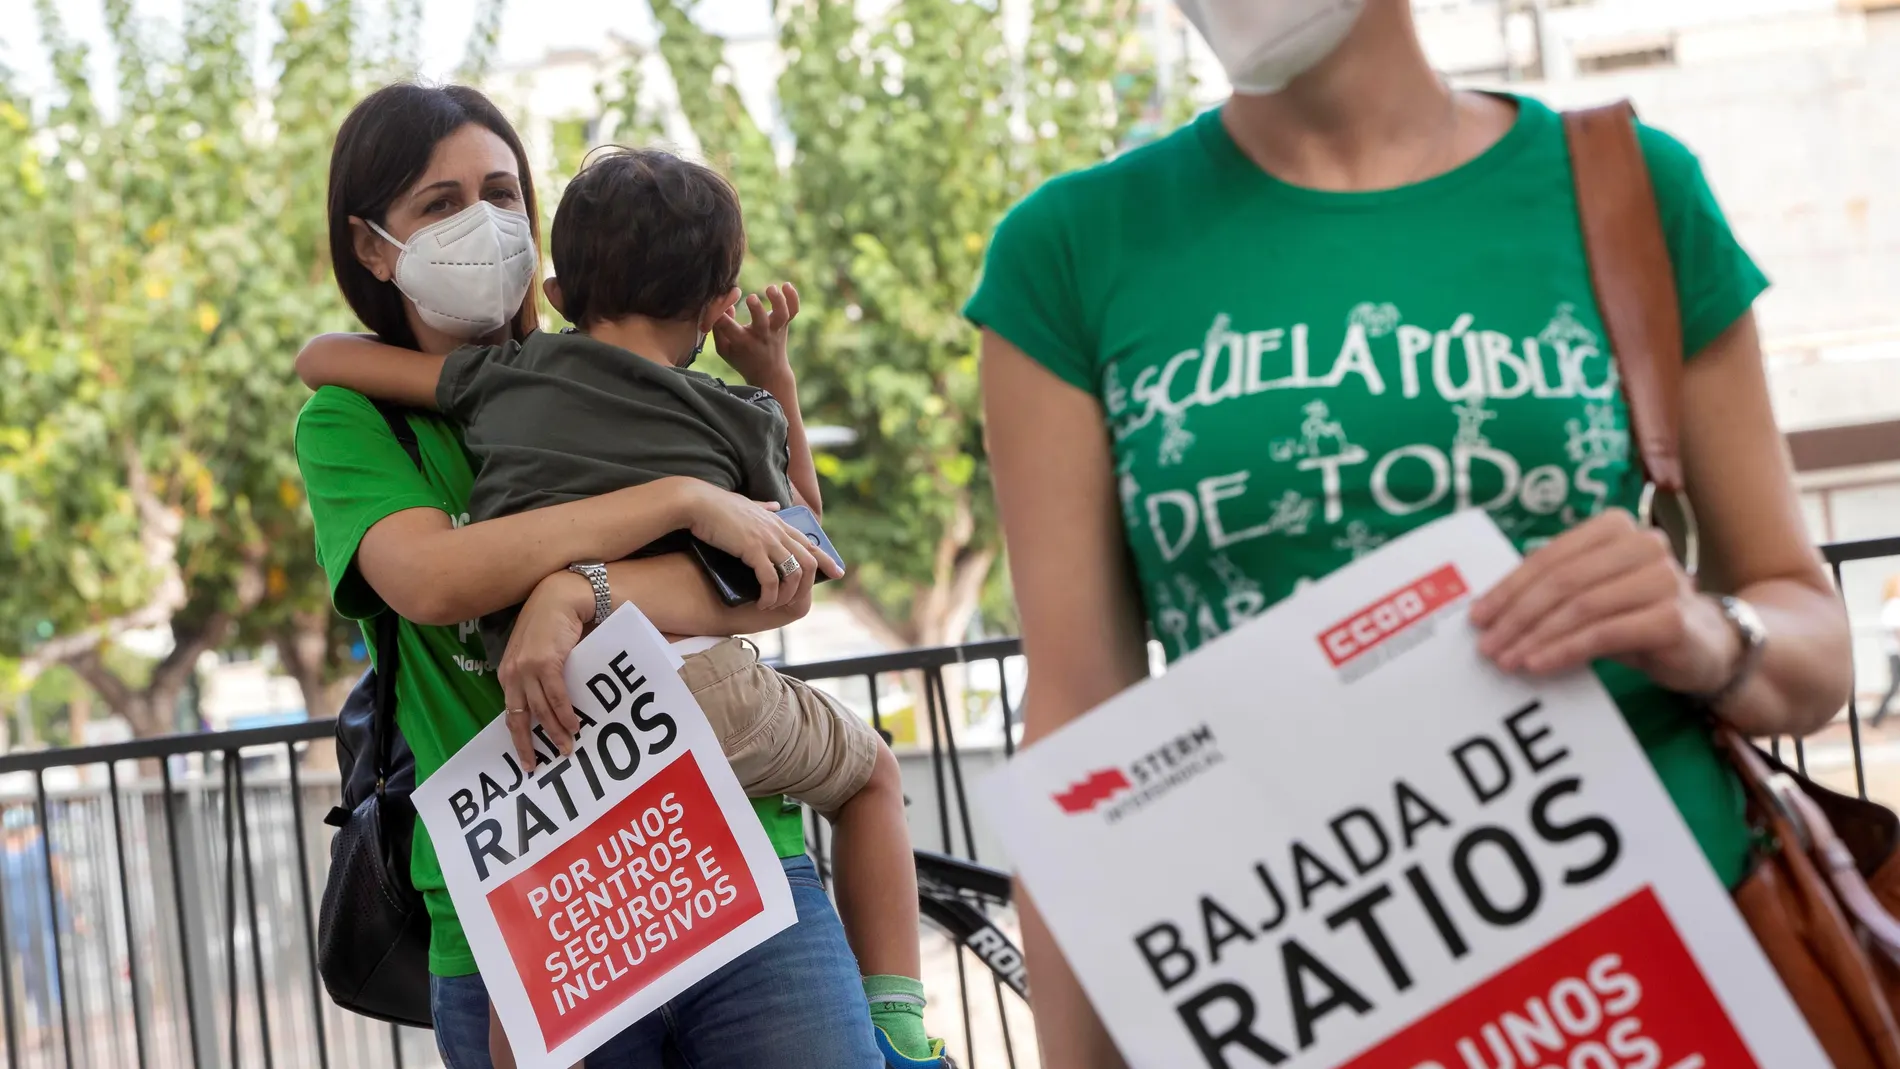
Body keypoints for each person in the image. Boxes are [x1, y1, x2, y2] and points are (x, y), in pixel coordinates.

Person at [967, 1, 1853, 1065]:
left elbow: (1811, 633)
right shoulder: (1069, 251)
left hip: (1667, 970)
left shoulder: (1625, 188)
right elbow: (1079, 729)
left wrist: (1707, 634)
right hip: (1318, 984)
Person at [297, 146, 947, 1068]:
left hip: (551, 742)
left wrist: (573, 587)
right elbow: (804, 551)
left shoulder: (505, 382)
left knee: (529, 994)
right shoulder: (731, 411)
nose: (479, 223)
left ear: (556, 287)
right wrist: (764, 395)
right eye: (441, 202)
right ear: (720, 302)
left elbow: (318, 356)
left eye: (499, 194)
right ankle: (905, 1029)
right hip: (697, 704)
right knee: (872, 774)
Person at [1872, 576, 1900, 727]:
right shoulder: (1894, 605)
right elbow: (1897, 629)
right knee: (1894, 686)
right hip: (1896, 651)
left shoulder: (1890, 605)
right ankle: (1876, 719)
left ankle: (1876, 719)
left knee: (1894, 686)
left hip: (1893, 651)